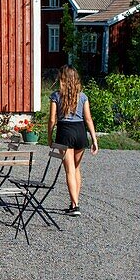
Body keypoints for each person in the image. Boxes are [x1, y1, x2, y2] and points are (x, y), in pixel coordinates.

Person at [47, 65, 98, 216]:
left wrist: (49, 137)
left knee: (69, 170)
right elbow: (88, 119)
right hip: (80, 131)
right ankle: (74, 202)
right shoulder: (83, 96)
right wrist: (94, 139)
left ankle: (75, 206)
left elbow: (51, 120)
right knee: (76, 168)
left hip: (65, 131)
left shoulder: (56, 96)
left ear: (62, 79)